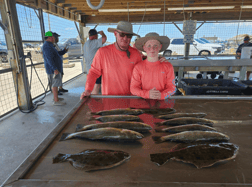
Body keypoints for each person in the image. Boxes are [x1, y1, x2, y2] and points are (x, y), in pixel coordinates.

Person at [80, 21, 142, 99]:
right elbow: (93, 72)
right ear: (115, 34)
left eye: (129, 35)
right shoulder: (102, 52)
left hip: (131, 100)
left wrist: (157, 60)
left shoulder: (136, 54)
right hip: (109, 100)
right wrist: (88, 89)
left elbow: (143, 74)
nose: (125, 38)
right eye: (122, 34)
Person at [130, 32, 176, 100]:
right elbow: (133, 88)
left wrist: (162, 95)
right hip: (144, 102)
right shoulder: (138, 67)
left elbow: (172, 88)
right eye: (149, 46)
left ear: (160, 47)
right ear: (144, 48)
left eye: (155, 45)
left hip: (162, 103)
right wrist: (147, 94)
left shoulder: (168, 66)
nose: (152, 48)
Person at [42, 31, 67, 105]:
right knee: (55, 84)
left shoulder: (50, 45)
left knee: (56, 84)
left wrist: (64, 51)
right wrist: (54, 69)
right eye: (53, 37)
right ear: (50, 37)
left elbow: (55, 54)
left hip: (55, 68)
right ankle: (56, 101)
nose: (55, 38)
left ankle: (56, 98)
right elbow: (49, 59)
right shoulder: (47, 46)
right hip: (53, 69)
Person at [83, 29, 107, 94]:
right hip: (94, 69)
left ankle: (93, 97)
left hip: (89, 68)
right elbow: (104, 39)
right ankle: (95, 101)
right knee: (97, 85)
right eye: (97, 35)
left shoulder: (86, 44)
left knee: (92, 84)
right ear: (95, 35)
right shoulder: (94, 42)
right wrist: (102, 34)